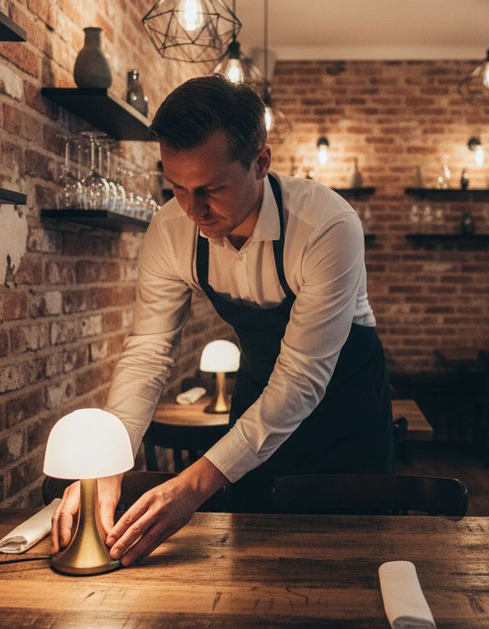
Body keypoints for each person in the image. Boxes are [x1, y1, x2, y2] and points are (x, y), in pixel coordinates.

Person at [51, 75, 392, 567]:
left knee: (351, 560)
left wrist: (193, 484)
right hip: (257, 394)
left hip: (347, 410)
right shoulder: (171, 229)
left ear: (261, 163)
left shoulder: (327, 226)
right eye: (177, 187)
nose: (193, 209)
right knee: (250, 561)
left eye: (212, 189)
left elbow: (301, 379)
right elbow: (149, 352)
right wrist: (111, 461)